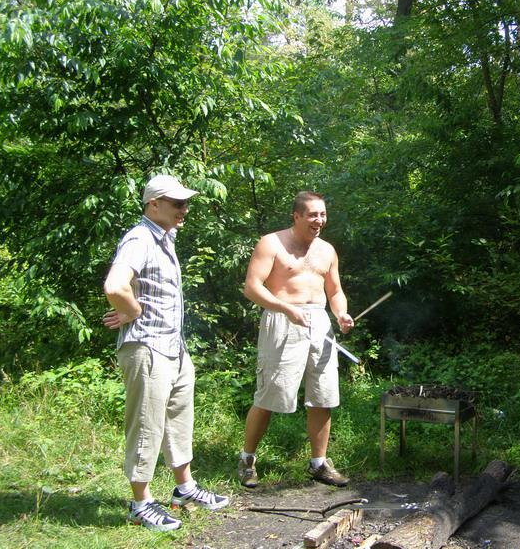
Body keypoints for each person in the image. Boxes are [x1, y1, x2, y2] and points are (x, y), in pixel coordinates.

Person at [103, 174, 229, 531]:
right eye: (177, 203)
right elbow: (114, 285)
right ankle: (140, 503)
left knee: (178, 419)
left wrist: (133, 309)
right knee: (147, 424)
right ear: (153, 204)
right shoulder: (140, 238)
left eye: (186, 203)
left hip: (173, 347)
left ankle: (184, 488)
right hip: (148, 347)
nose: (184, 209)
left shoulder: (164, 238)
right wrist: (131, 311)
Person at [238, 191, 354, 488]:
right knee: (269, 395)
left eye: (323, 214)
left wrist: (341, 314)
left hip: (319, 323)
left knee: (323, 396)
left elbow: (335, 291)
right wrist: (285, 308)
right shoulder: (271, 243)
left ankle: (319, 463)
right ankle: (247, 460)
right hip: (283, 318)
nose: (319, 220)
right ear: (297, 216)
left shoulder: (327, 250)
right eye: (313, 214)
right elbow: (252, 287)